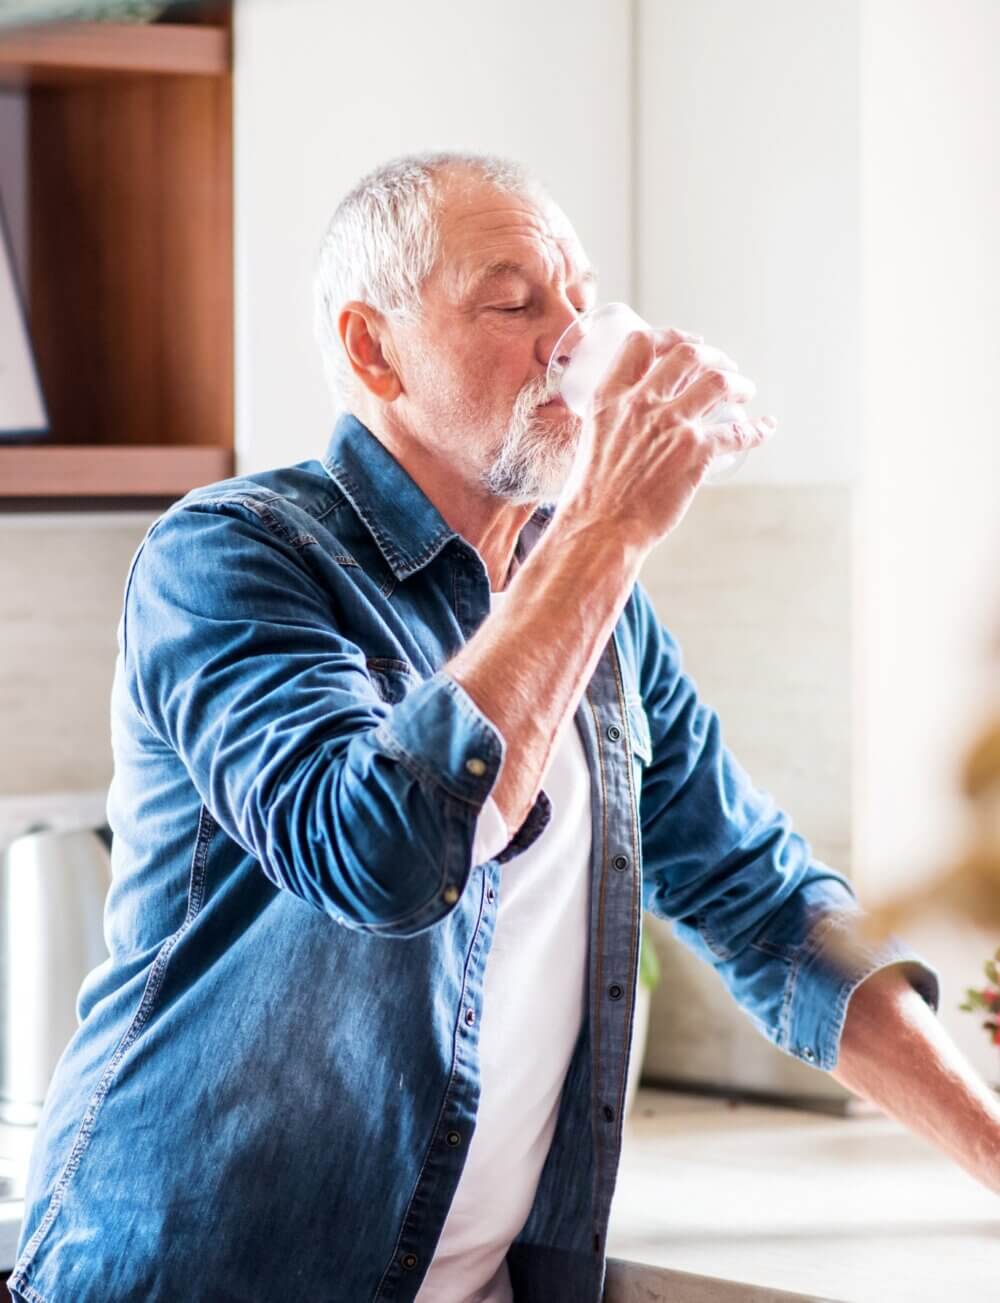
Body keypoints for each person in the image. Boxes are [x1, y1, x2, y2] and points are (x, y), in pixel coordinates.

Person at [9, 151, 997, 1303]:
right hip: (197, 1275)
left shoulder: (596, 607)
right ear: (373, 349)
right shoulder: (234, 555)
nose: (570, 341)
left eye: (578, 298)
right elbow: (376, 855)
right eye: (515, 302)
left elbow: (768, 908)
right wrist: (607, 528)